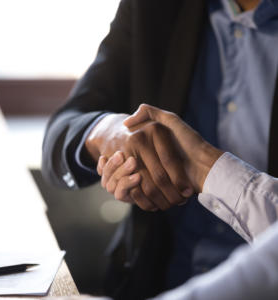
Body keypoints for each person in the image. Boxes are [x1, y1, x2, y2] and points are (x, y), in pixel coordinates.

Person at [42, 0, 278, 299]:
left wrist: (204, 166)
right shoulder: (153, 7)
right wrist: (108, 133)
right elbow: (60, 133)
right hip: (148, 281)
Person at [51, 104, 278, 299]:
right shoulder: (154, 50)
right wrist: (107, 132)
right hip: (147, 278)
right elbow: (61, 127)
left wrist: (199, 165)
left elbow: (268, 268)